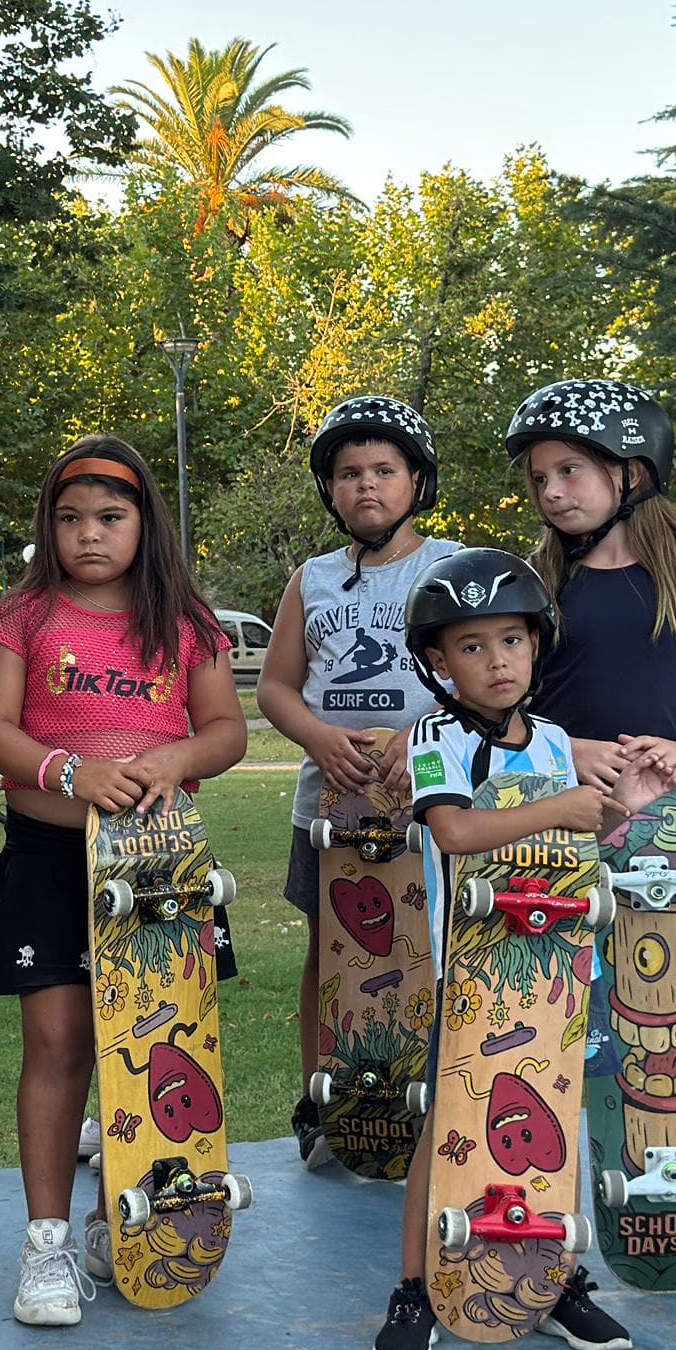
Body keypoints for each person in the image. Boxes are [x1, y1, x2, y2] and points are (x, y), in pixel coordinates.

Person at [0, 439, 248, 1331]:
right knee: (56, 1044)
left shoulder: (186, 620)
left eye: (111, 518)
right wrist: (68, 771)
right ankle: (47, 1241)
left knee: (150, 1047)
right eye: (71, 517)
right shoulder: (22, 615)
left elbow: (227, 731)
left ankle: (118, 1224)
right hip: (53, 859)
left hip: (160, 869)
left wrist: (171, 756)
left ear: (145, 524)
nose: (89, 534)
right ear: (48, 526)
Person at [505, 379, 676, 1275]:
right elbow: (497, 707)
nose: (552, 492)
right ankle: (541, 1201)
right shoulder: (534, 583)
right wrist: (564, 747)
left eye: (571, 470)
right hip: (552, 821)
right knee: (557, 1021)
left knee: (668, 1024)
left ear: (632, 471)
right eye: (541, 477)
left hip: (659, 830)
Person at [370, 551, 624, 1350]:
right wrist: (563, 804)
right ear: (438, 663)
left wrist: (603, 814)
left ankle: (559, 1281)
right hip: (473, 971)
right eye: (471, 647)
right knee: (447, 1130)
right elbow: (455, 832)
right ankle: (415, 1290)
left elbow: (575, 834)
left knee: (560, 1124)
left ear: (537, 644)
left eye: (511, 639)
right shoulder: (434, 738)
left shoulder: (553, 740)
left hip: (555, 967)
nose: (497, 661)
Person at [255, 395, 464, 1168]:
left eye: (384, 470)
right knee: (330, 948)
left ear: (418, 479)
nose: (366, 486)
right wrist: (315, 735)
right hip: (329, 802)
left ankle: (431, 1089)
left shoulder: (450, 566)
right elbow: (277, 687)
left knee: (428, 948)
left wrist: (424, 734)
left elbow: (485, 679)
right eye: (348, 473)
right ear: (329, 489)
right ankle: (327, 1091)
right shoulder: (311, 578)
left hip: (430, 801)